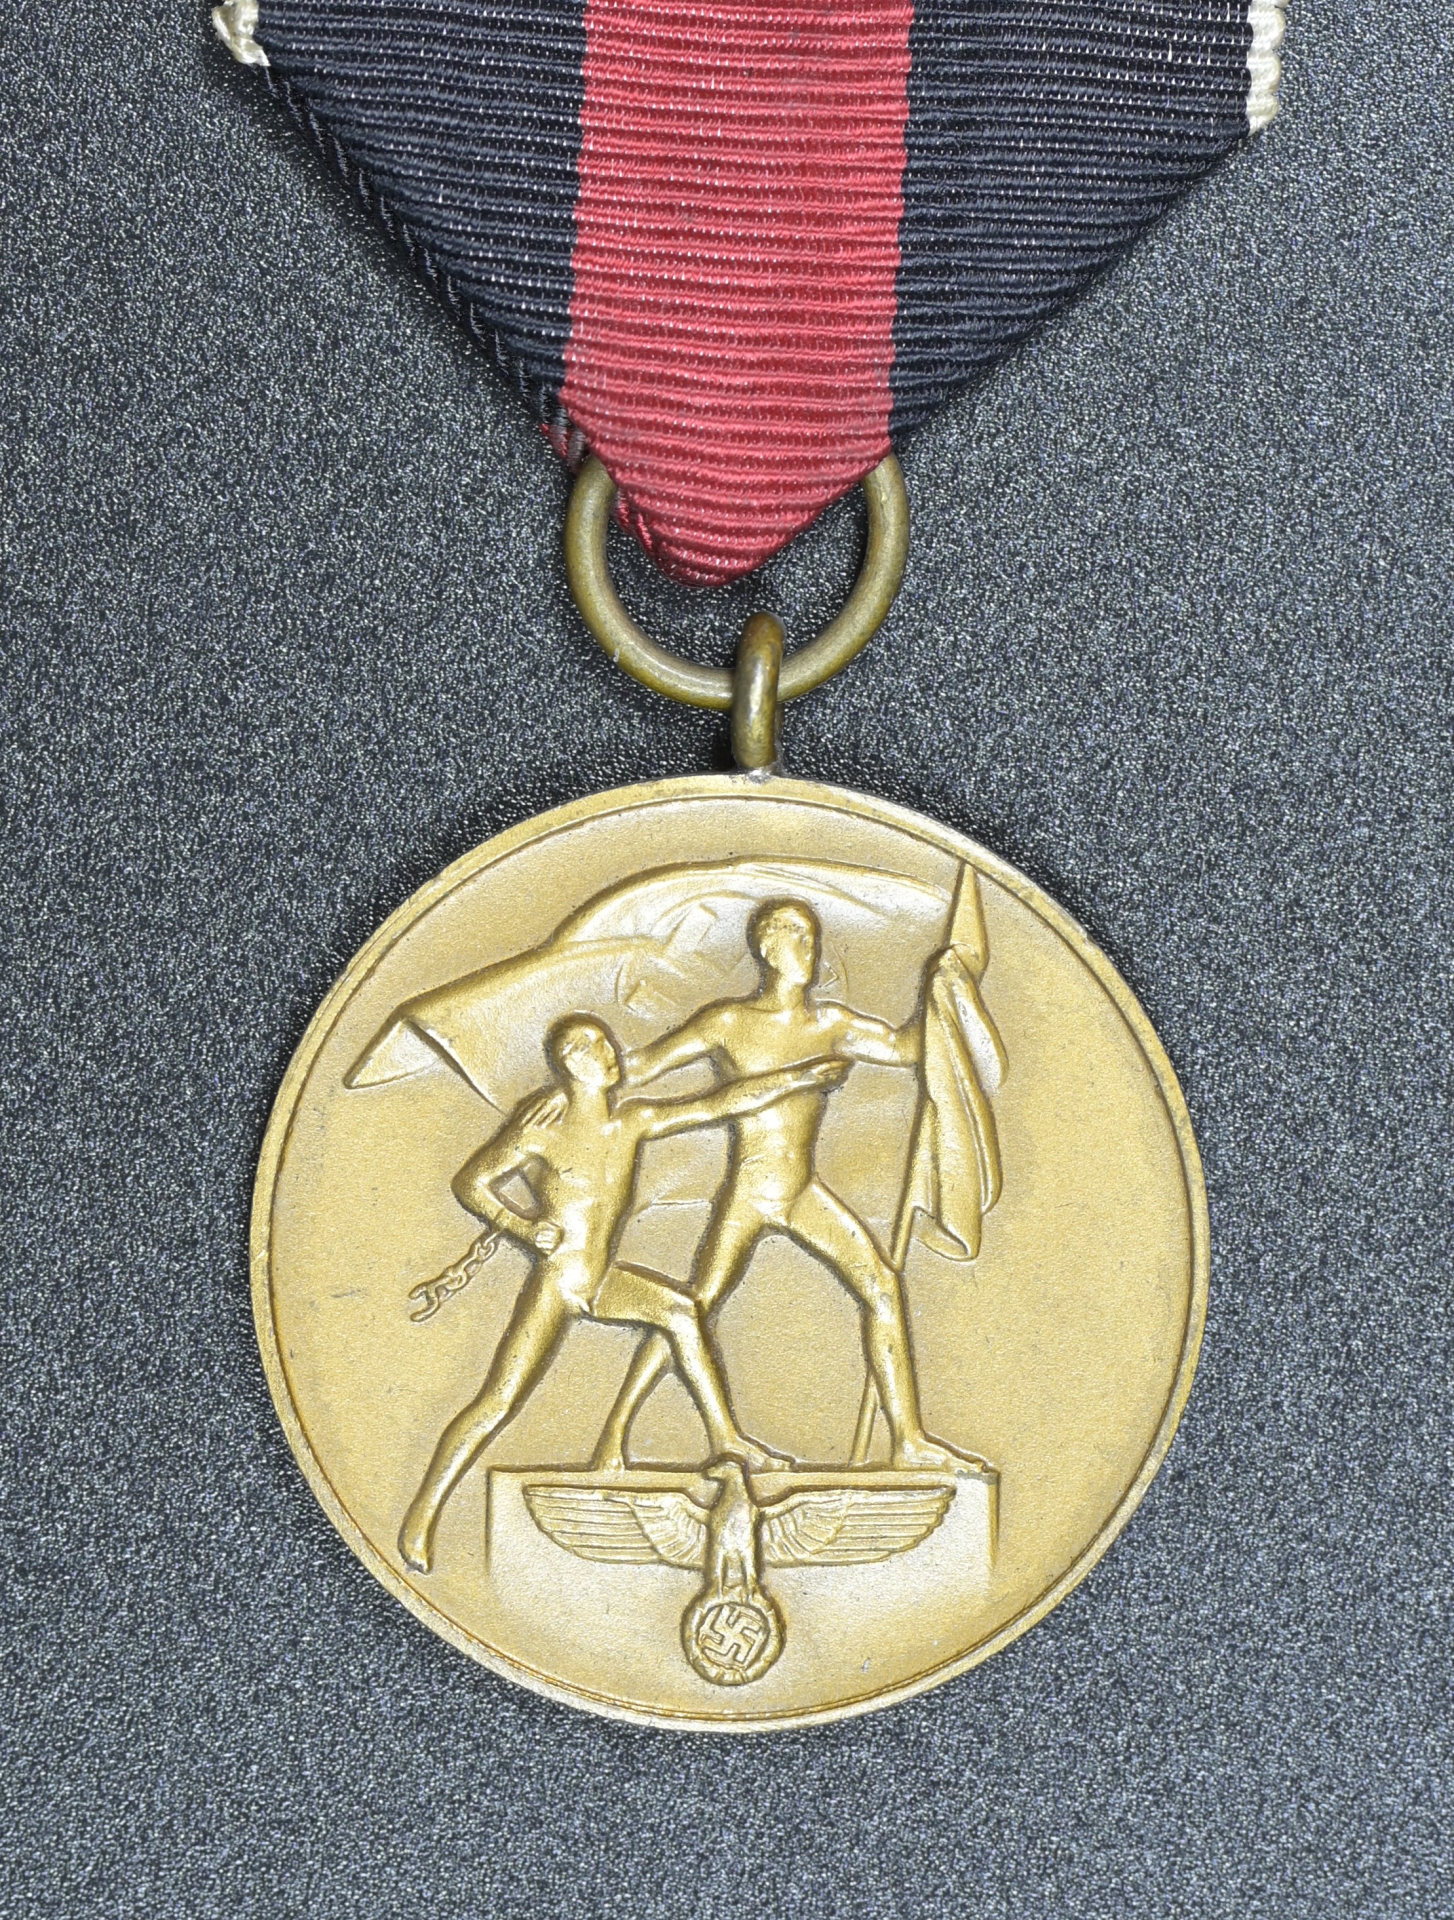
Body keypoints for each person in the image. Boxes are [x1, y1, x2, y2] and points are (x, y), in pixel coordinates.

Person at [397, 1012, 847, 1573]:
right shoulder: (541, 1129)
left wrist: (799, 1078)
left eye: (606, 1041)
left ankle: (728, 1438)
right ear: (569, 1064)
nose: (608, 1049)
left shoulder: (631, 1121)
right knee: (499, 1402)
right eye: (591, 1046)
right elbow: (471, 1183)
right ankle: (422, 1514)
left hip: (602, 1281)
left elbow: (716, 1104)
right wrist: (522, 1228)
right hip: (560, 1282)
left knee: (680, 1311)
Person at [586, 899, 976, 1474]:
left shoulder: (831, 1025)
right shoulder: (728, 1023)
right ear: (767, 948)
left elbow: (904, 1049)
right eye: (796, 935)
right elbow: (641, 1067)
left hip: (800, 1191)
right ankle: (613, 1439)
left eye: (812, 937)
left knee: (882, 1285)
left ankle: (908, 1440)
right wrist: (572, 1083)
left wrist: (939, 988)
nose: (809, 949)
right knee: (693, 1307)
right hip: (749, 1193)